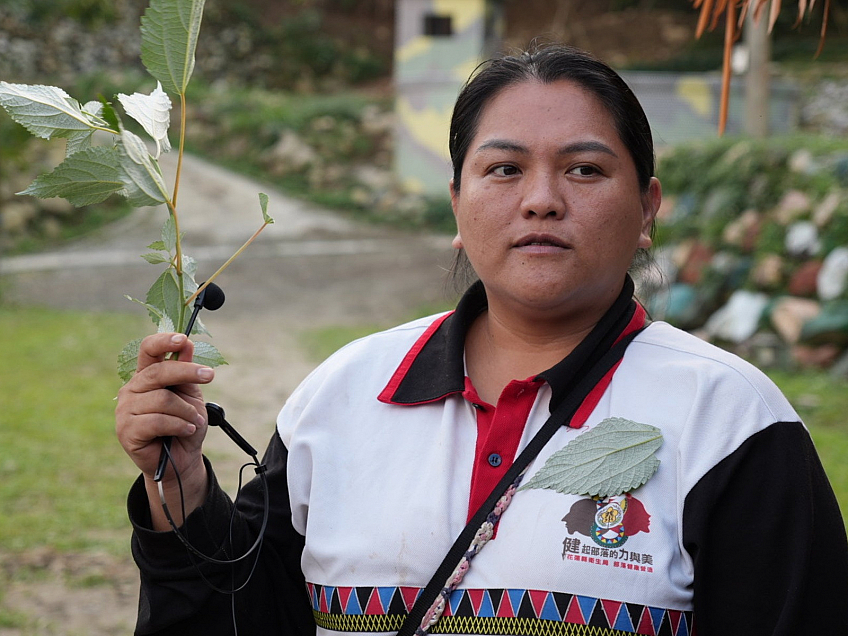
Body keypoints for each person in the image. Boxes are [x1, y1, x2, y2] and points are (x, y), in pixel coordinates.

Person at [116, 44, 848, 636]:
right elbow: (247, 614)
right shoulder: (342, 396)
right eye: (503, 169)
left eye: (584, 169)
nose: (541, 199)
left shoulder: (732, 422)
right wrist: (179, 485)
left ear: (647, 208)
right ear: (458, 206)